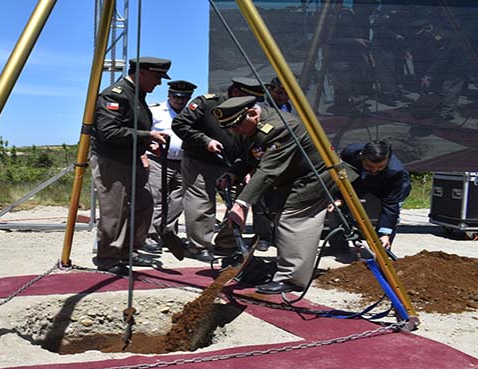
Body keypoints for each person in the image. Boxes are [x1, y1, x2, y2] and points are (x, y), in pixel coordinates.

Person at [213, 95, 355, 294]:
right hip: (293, 179)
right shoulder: (252, 125)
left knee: (293, 222)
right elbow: (252, 155)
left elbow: (268, 169)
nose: (234, 131)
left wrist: (242, 203)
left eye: (236, 126)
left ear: (253, 114)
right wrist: (233, 173)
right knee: (282, 219)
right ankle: (287, 268)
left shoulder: (280, 128)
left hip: (315, 178)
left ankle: (291, 279)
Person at [91, 56, 172, 276]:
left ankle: (128, 250)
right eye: (157, 77)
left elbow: (130, 128)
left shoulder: (137, 95)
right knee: (115, 211)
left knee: (143, 204)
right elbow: (109, 131)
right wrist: (147, 135)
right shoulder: (115, 94)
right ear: (142, 72)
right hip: (113, 162)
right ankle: (108, 257)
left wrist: (148, 142)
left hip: (132, 159)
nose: (159, 83)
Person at [172, 77, 264, 262]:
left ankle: (227, 243)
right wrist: (205, 141)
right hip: (201, 160)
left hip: (233, 163)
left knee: (239, 203)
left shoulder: (250, 111)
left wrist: (246, 167)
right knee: (201, 202)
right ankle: (199, 246)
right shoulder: (207, 102)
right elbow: (180, 125)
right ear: (237, 93)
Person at [143, 80, 197, 253]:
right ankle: (151, 235)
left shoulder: (193, 114)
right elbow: (144, 133)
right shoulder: (155, 110)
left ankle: (168, 233)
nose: (179, 101)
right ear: (169, 95)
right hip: (159, 160)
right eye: (176, 97)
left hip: (184, 162)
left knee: (178, 200)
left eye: (184, 98)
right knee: (157, 198)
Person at [340, 140, 412, 251]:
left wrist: (385, 233)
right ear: (361, 156)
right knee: (337, 208)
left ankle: (383, 251)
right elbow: (340, 177)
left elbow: (391, 205)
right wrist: (339, 198)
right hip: (361, 181)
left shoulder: (396, 172)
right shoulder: (349, 153)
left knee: (387, 225)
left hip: (388, 186)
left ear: (387, 160)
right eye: (369, 166)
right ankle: (339, 247)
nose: (374, 170)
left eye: (380, 167)